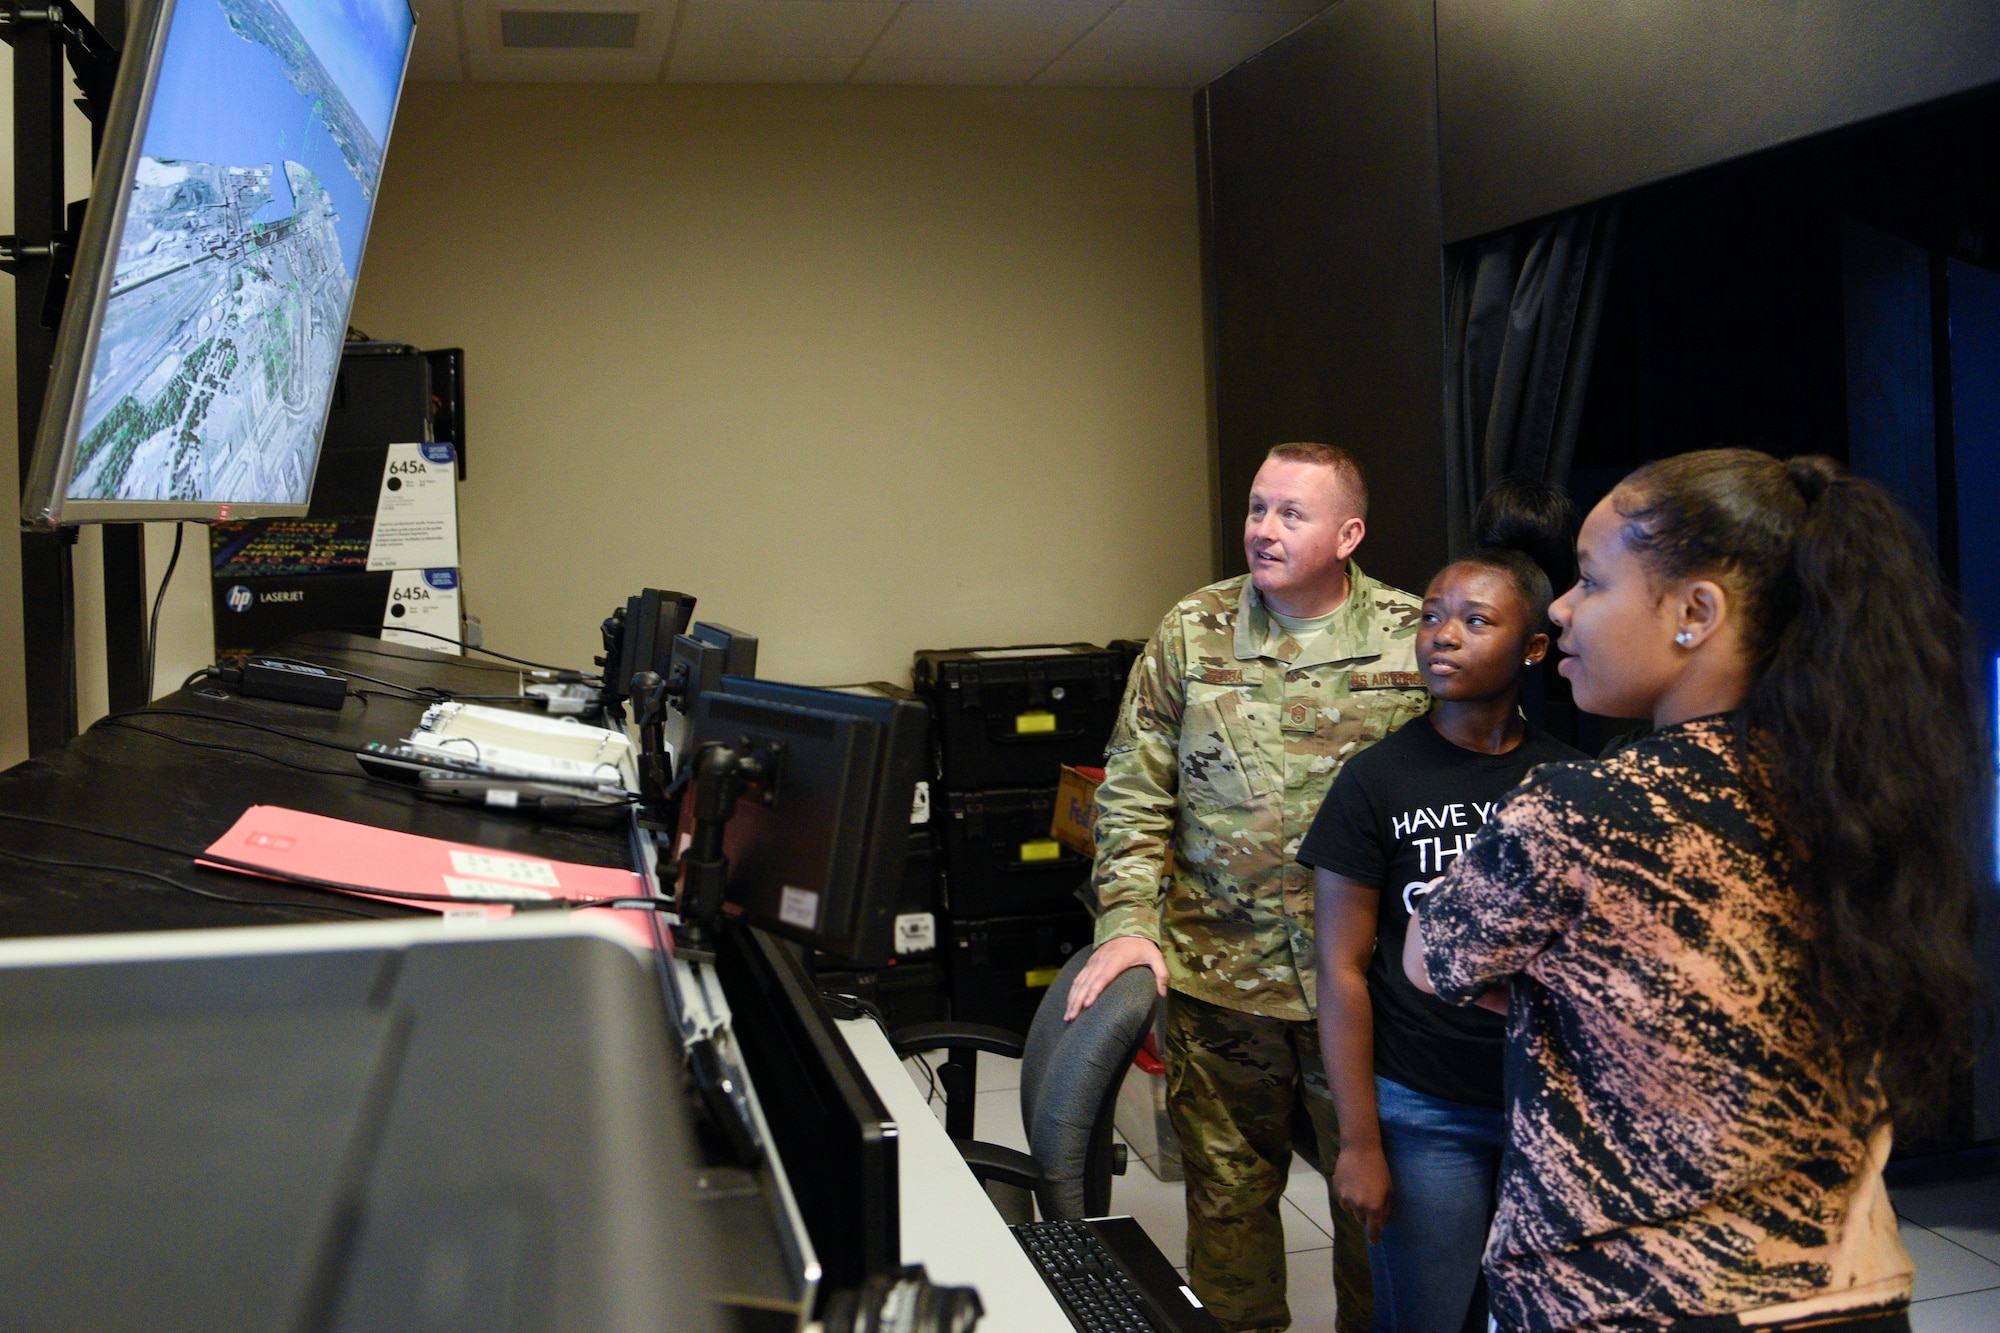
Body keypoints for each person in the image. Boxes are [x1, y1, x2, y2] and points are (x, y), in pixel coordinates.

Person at [1405, 450, 1979, 1332]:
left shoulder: (1579, 811)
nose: (1559, 607)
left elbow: (1430, 956)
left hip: (1635, 1302)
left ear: (1694, 613)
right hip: (1851, 1288)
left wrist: (1553, 975)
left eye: (1591, 581)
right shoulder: (1865, 800)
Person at [1066, 441, 1432, 1333]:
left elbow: (1464, 803)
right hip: (1219, 980)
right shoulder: (1191, 631)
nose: (1263, 529)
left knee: (1376, 1216)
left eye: (1291, 514)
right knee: (1227, 1213)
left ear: (1349, 533)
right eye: (1258, 507)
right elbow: (1134, 787)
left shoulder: (1417, 635)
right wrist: (1126, 918)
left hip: (1372, 989)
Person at [1298, 532, 1586, 1333]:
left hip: (1545, 1105)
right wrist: (1359, 1141)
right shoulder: (1376, 779)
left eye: (1474, 620)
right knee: (1428, 1317)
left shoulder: (1567, 780)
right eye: (1430, 616)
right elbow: (1342, 968)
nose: (1443, 634)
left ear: (1533, 647)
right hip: (1424, 1109)